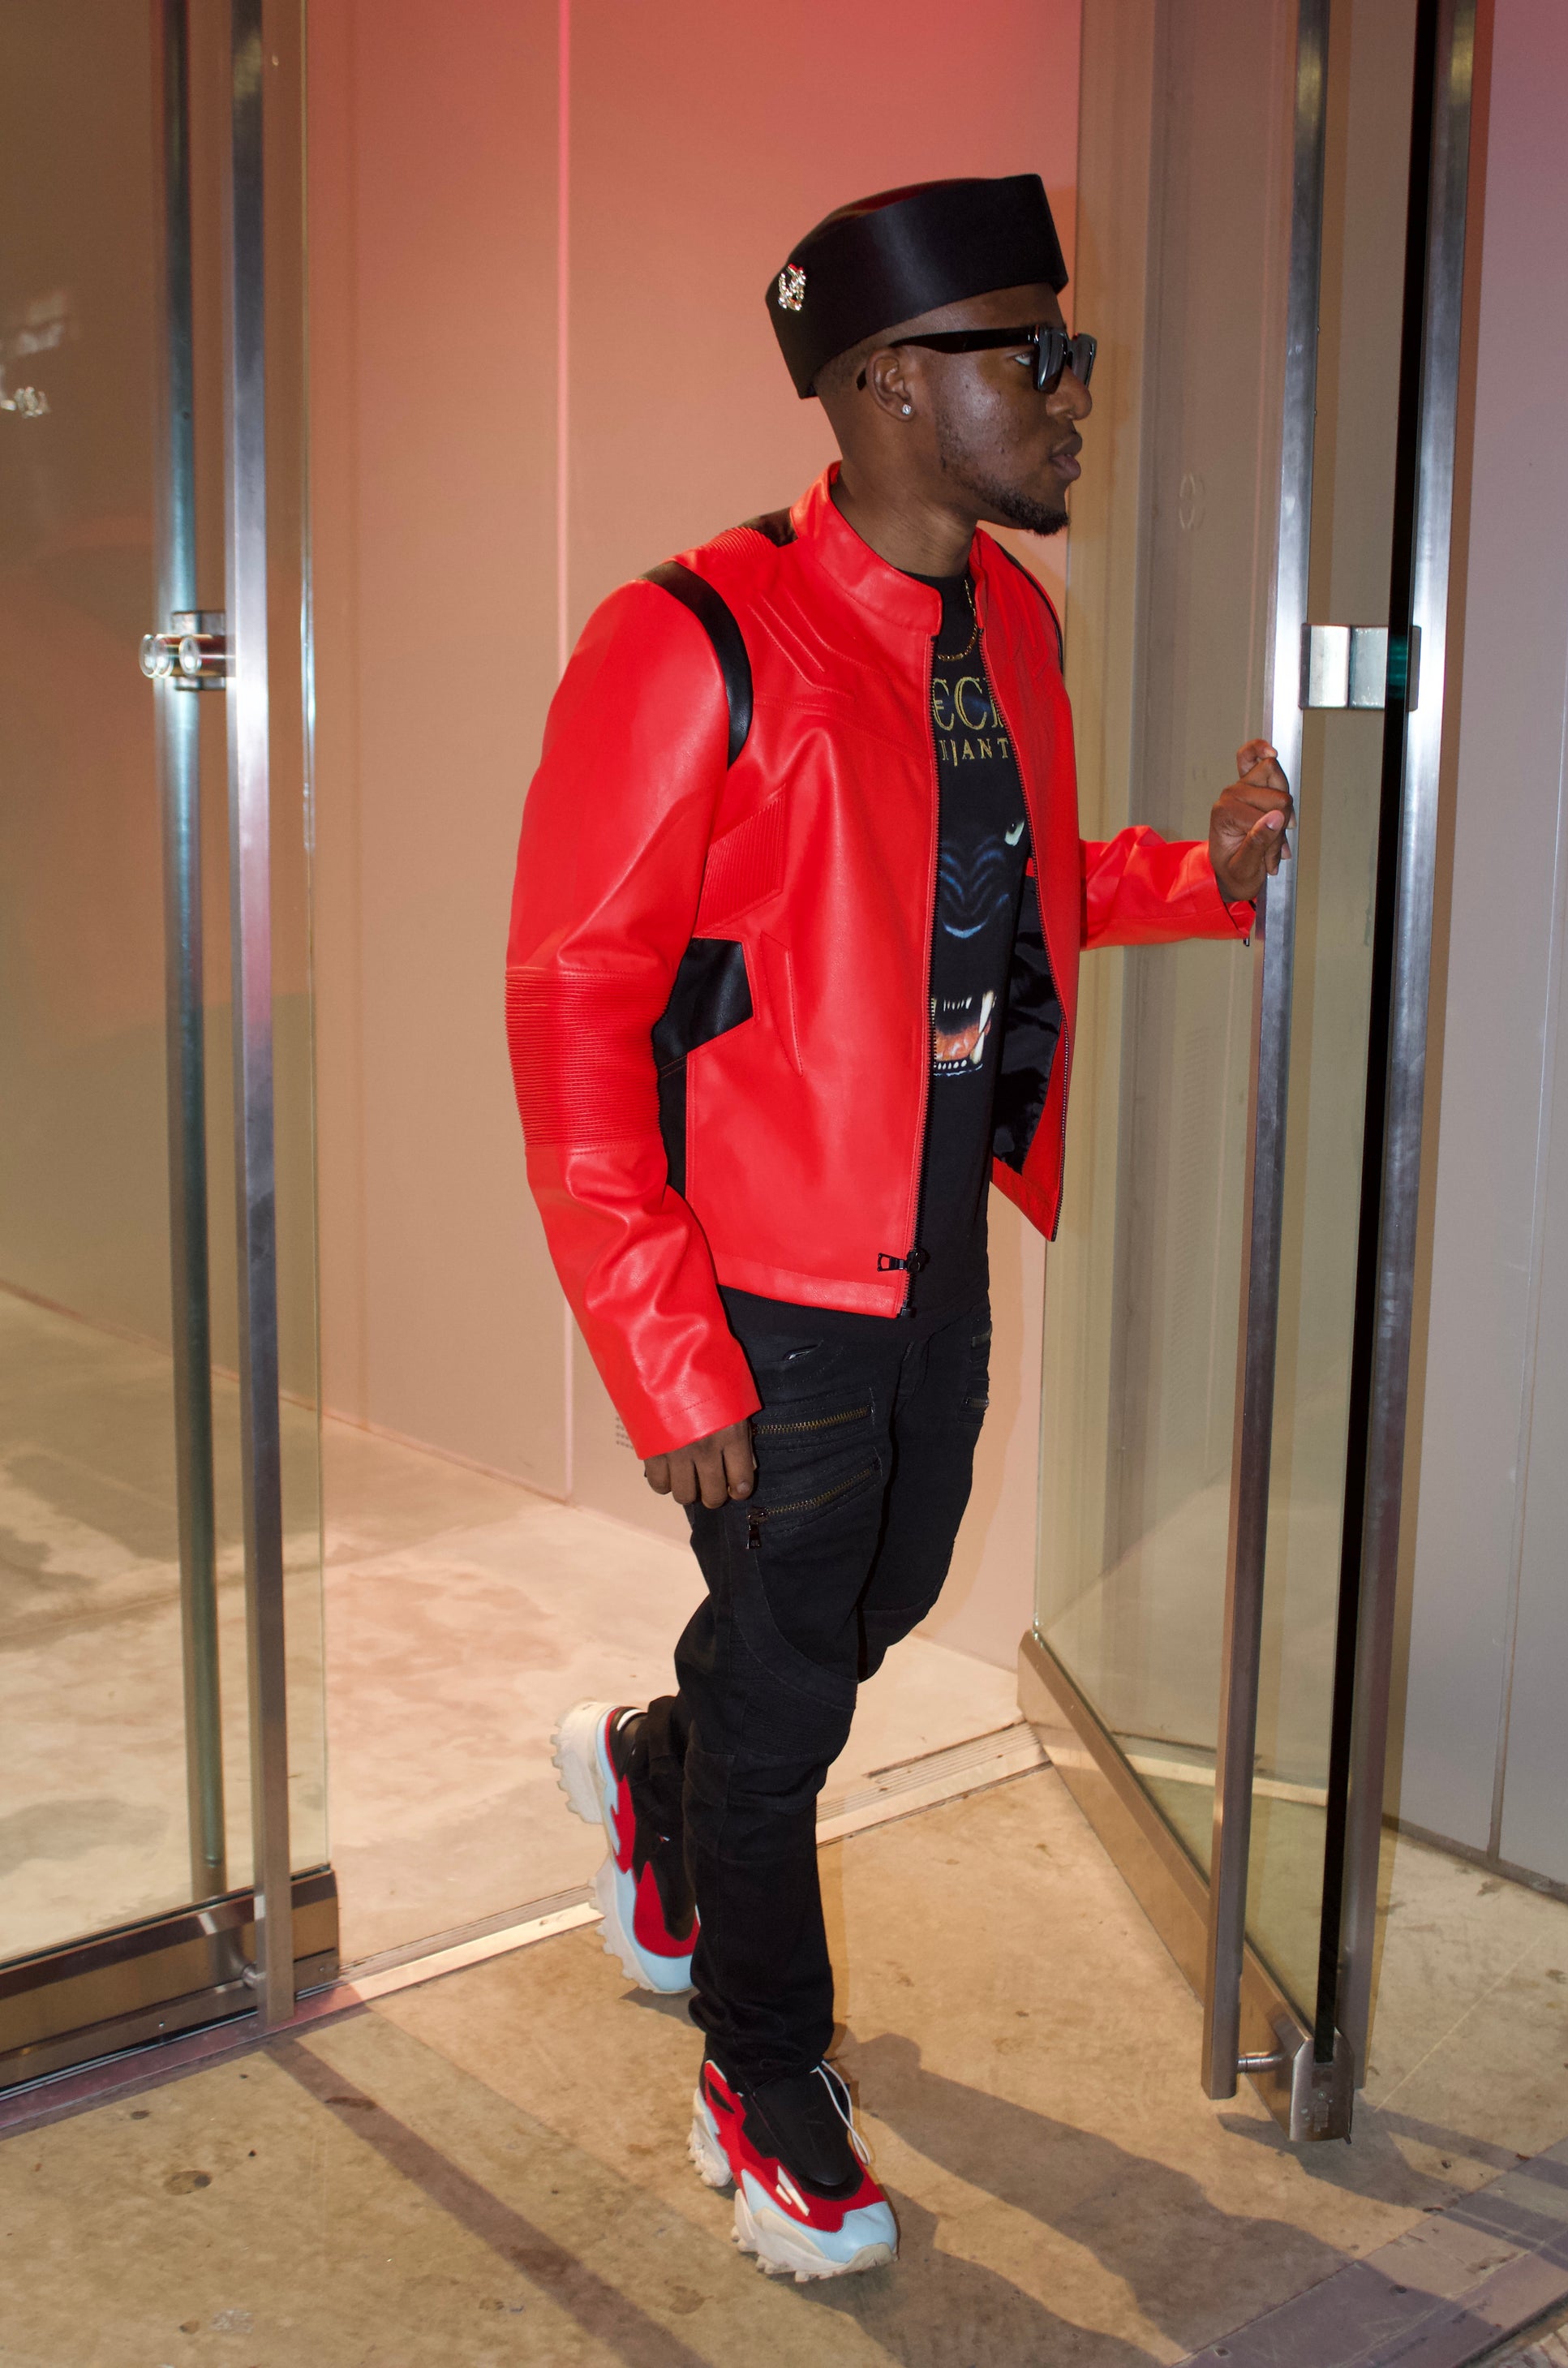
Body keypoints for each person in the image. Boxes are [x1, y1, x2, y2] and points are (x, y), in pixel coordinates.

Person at [505, 175, 1291, 2282]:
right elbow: (573, 1005)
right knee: (791, 1708)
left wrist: (1198, 877)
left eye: (1067, 348)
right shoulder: (687, 638)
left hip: (931, 1243)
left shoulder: (1008, 627)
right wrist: (662, 1352)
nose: (1073, 390)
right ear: (884, 387)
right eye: (1036, 352)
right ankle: (761, 2071)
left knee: (865, 1611)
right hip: (760, 1286)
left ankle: (649, 1771)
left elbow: (1007, 886)